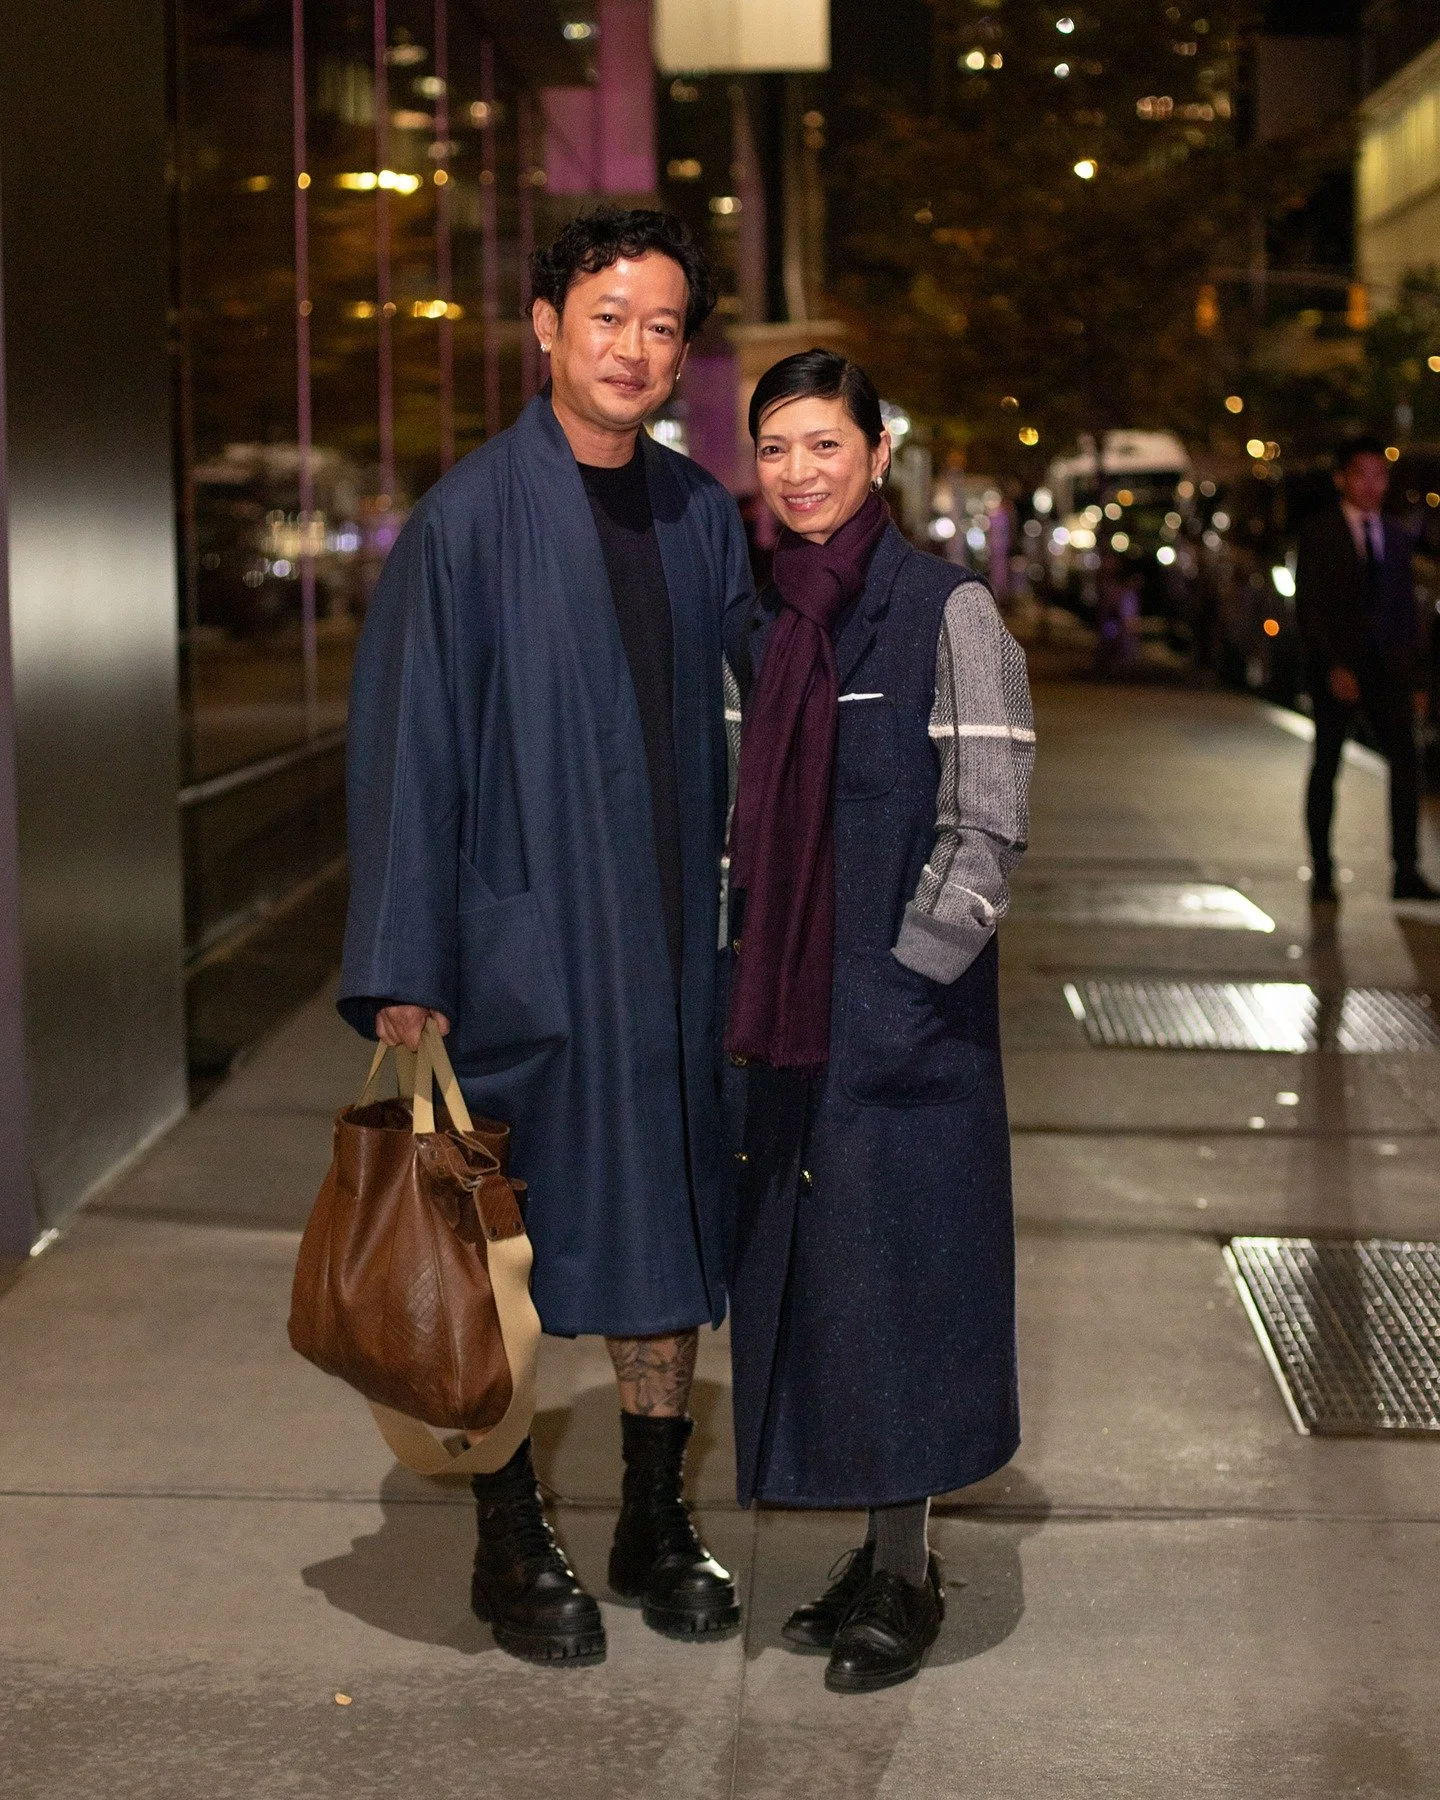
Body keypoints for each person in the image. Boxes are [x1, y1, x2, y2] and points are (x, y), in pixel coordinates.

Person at [338, 209, 753, 1667]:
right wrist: (404, 965)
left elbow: (775, 693)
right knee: (492, 1253)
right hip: (522, 947)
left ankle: (654, 1514)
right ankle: (509, 1535)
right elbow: (408, 747)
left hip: (673, 948)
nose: (633, 348)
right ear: (544, 326)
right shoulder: (467, 521)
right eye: (607, 317)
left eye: (661, 326)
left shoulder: (700, 515)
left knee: (666, 1226)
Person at [722, 351, 1034, 1693]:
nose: (800, 472)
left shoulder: (948, 609)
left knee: (906, 1284)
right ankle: (872, 1552)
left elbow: (989, 821)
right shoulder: (763, 617)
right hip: (789, 1012)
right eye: (775, 448)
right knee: (826, 1291)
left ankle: (905, 1575)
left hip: (903, 1021)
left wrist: (909, 980)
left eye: (824, 444)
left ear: (878, 451)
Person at [1296, 434, 1438, 904]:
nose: (1372, 485)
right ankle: (1322, 868)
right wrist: (1333, 664)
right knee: (1327, 764)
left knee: (1406, 763)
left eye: (1380, 476)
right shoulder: (1320, 534)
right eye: (1362, 475)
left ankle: (1406, 869)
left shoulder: (1395, 536)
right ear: (1342, 479)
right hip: (1339, 669)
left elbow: (1406, 612)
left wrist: (1417, 678)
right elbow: (1310, 607)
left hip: (1389, 670)